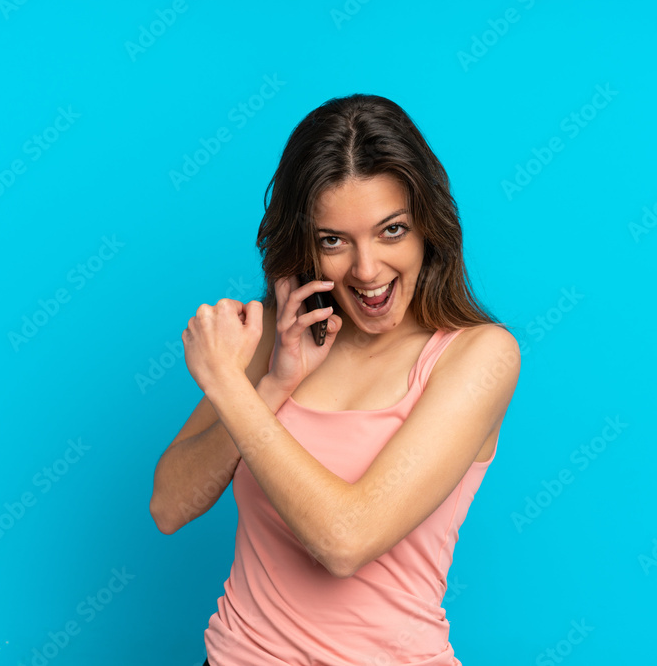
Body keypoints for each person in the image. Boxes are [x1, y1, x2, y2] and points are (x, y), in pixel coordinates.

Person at [150, 93, 520, 666]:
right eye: (334, 241)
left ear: (428, 226)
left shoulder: (477, 355)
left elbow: (344, 541)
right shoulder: (279, 338)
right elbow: (169, 507)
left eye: (391, 231)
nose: (367, 269)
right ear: (306, 245)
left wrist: (229, 385)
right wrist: (271, 385)